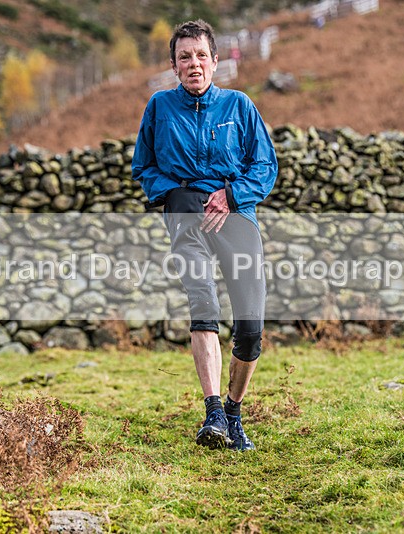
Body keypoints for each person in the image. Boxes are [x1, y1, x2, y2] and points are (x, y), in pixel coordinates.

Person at [131, 20, 277, 451]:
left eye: (200, 56)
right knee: (204, 305)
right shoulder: (159, 107)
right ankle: (213, 411)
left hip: (235, 212)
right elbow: (144, 168)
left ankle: (234, 412)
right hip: (184, 214)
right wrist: (176, 196)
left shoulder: (240, 106)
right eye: (184, 57)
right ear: (174, 67)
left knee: (251, 326)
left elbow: (264, 167)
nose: (193, 64)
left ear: (216, 61)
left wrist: (230, 196)